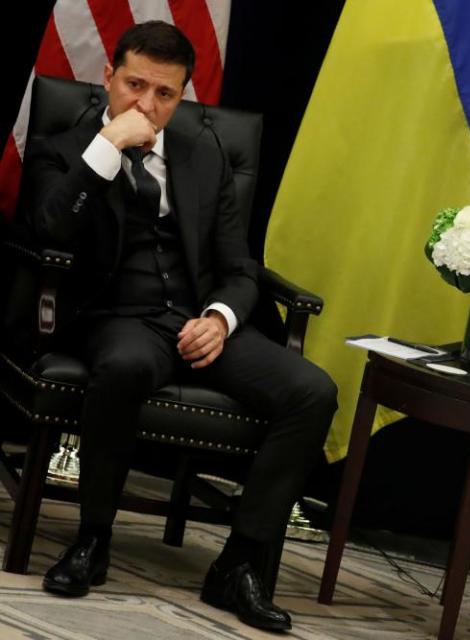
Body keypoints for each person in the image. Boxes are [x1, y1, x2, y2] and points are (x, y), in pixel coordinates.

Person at [19, 21, 337, 632]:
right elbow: (49, 230)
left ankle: (238, 564)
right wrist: (108, 146)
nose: (147, 105)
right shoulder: (65, 148)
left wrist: (219, 318)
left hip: (196, 322)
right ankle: (93, 539)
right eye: (134, 85)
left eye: (165, 94)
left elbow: (239, 268)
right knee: (126, 366)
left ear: (183, 95)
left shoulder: (202, 153)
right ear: (107, 77)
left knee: (313, 391)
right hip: (117, 318)